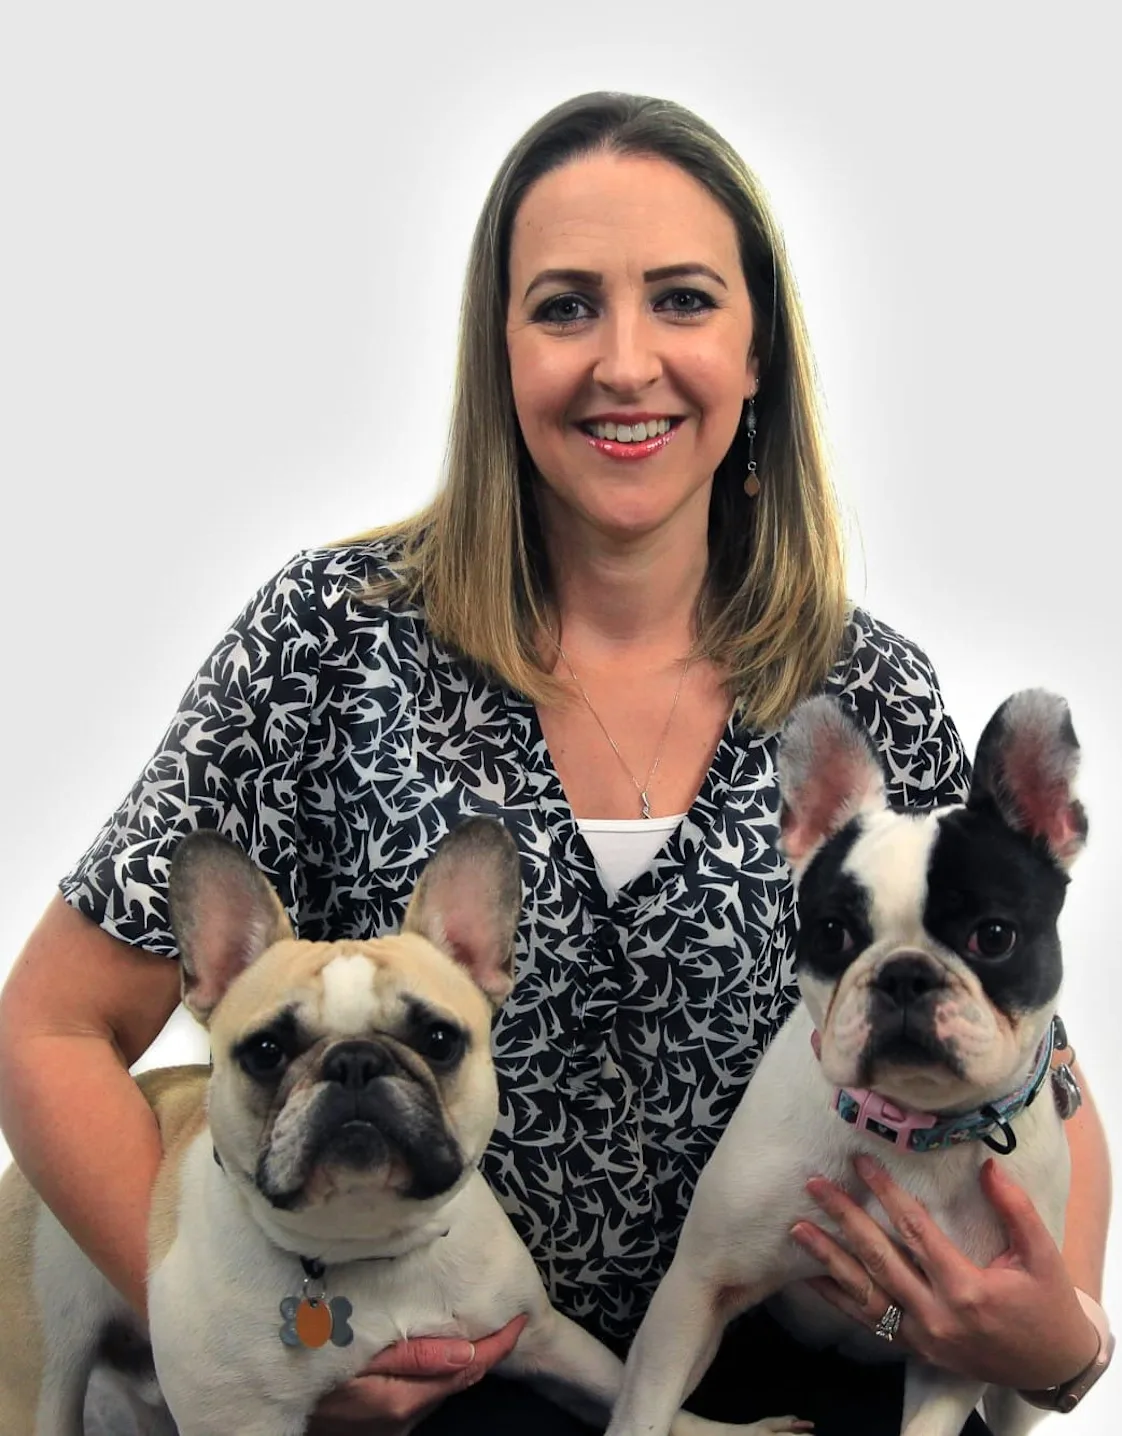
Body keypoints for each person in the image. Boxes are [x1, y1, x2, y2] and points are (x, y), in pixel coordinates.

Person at [0, 92, 1110, 1436]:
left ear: (757, 352)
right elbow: (49, 1028)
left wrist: (1061, 1330)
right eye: (566, 305)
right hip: (440, 1385)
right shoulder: (328, 640)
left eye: (684, 300)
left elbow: (1022, 1054)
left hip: (792, 1380)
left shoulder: (858, 687)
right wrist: (237, 1335)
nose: (625, 361)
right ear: (495, 351)